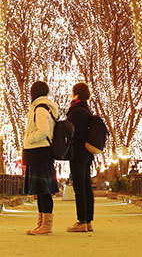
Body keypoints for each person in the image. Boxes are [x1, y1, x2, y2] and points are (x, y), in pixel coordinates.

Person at [22, 80, 59, 235]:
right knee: (41, 191)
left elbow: (43, 130)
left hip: (40, 151)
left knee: (44, 190)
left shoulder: (40, 109)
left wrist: (29, 139)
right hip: (39, 152)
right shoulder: (41, 108)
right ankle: (42, 223)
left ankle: (46, 225)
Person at [66, 81, 94, 233]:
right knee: (86, 186)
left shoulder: (76, 111)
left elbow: (74, 133)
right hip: (87, 152)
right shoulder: (86, 110)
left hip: (77, 151)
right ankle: (88, 221)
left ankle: (82, 221)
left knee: (79, 187)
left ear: (76, 93)